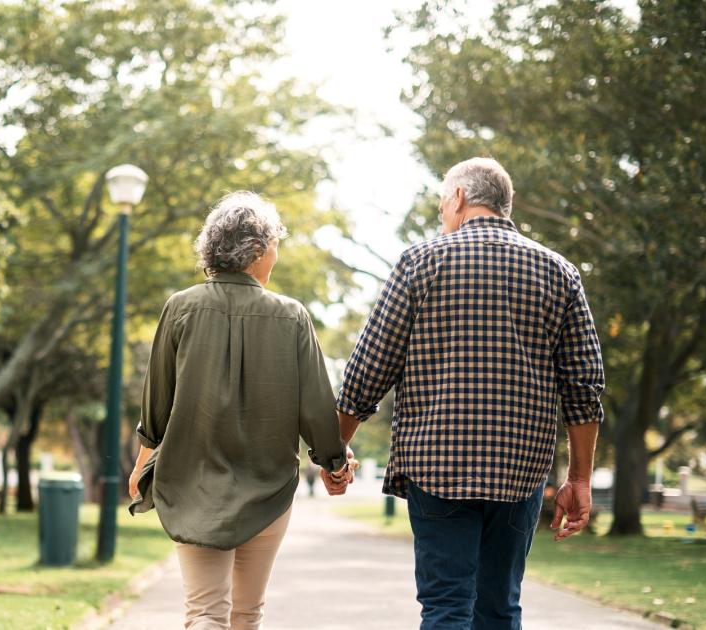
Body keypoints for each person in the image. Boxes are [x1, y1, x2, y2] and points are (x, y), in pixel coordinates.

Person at [330, 157, 605, 629]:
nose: (442, 213)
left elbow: (367, 372)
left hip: (437, 464)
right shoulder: (560, 272)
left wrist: (336, 450)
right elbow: (584, 387)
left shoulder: (421, 264)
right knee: (499, 607)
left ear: (458, 198)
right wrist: (579, 479)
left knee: (446, 607)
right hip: (519, 469)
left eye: (442, 202)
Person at [128, 191, 354, 630]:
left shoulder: (181, 308)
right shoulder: (292, 316)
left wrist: (141, 468)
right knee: (247, 613)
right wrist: (334, 464)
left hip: (192, 482)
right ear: (256, 251)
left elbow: (156, 406)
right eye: (275, 245)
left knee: (204, 612)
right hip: (267, 489)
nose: (277, 255)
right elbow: (316, 409)